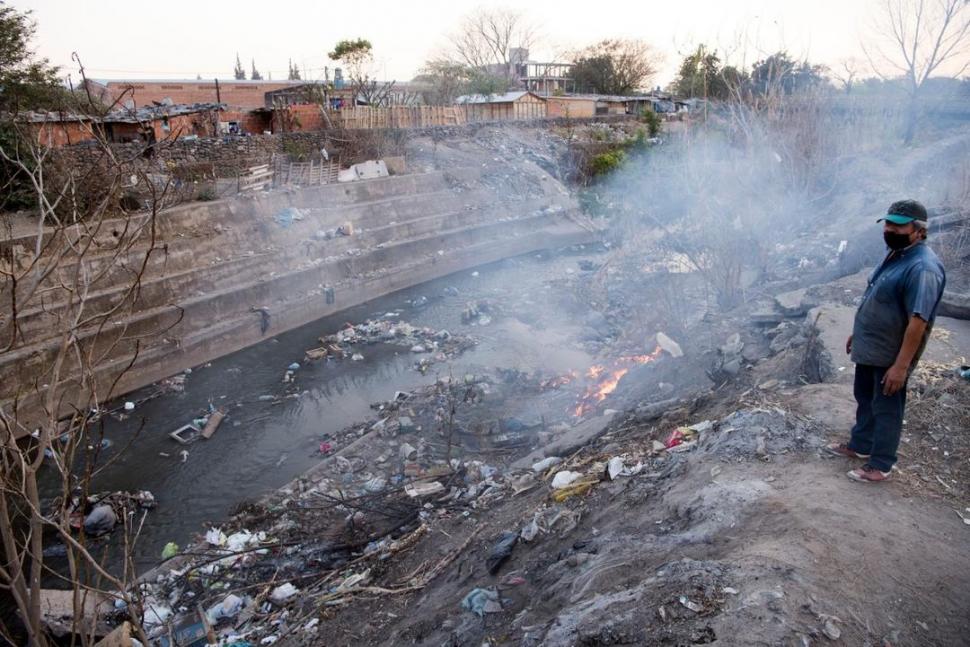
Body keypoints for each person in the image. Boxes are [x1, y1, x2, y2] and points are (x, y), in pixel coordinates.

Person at [826, 199, 946, 482]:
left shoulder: (923, 268)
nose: (890, 229)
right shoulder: (897, 254)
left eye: (898, 226)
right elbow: (878, 298)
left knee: (887, 406)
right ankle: (861, 445)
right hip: (872, 346)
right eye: (888, 224)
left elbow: (919, 320)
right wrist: (860, 333)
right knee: (865, 397)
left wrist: (901, 366)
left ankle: (881, 463)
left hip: (892, 353)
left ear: (919, 230)